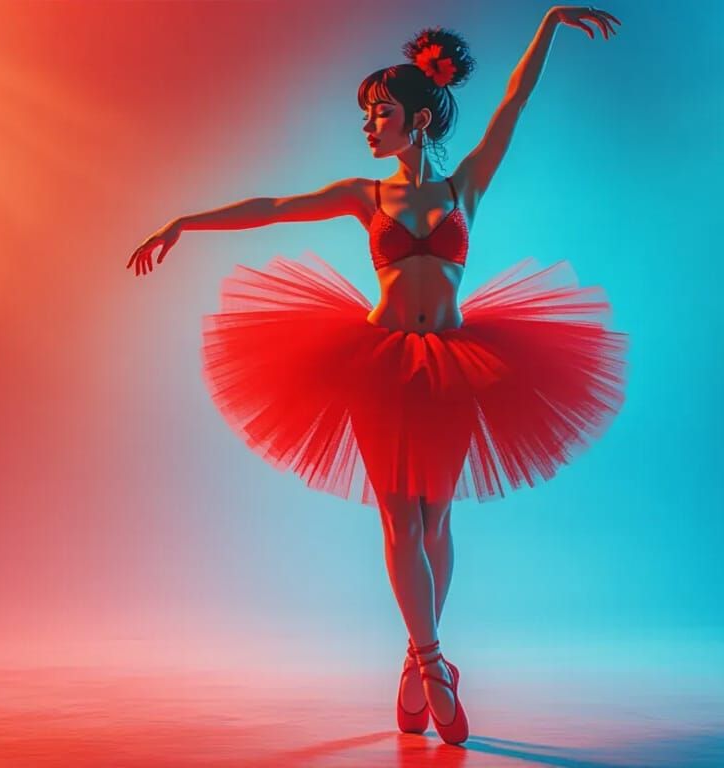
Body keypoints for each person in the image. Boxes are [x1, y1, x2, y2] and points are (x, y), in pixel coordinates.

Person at [127, 6, 624, 747]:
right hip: (377, 364)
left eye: (380, 112)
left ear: (418, 120)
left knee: (436, 522)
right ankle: (432, 665)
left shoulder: (466, 187)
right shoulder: (366, 195)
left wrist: (550, 20)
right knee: (398, 521)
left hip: (457, 363)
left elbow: (515, 101)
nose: (368, 125)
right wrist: (183, 222)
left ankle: (414, 658)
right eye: (366, 114)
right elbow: (274, 208)